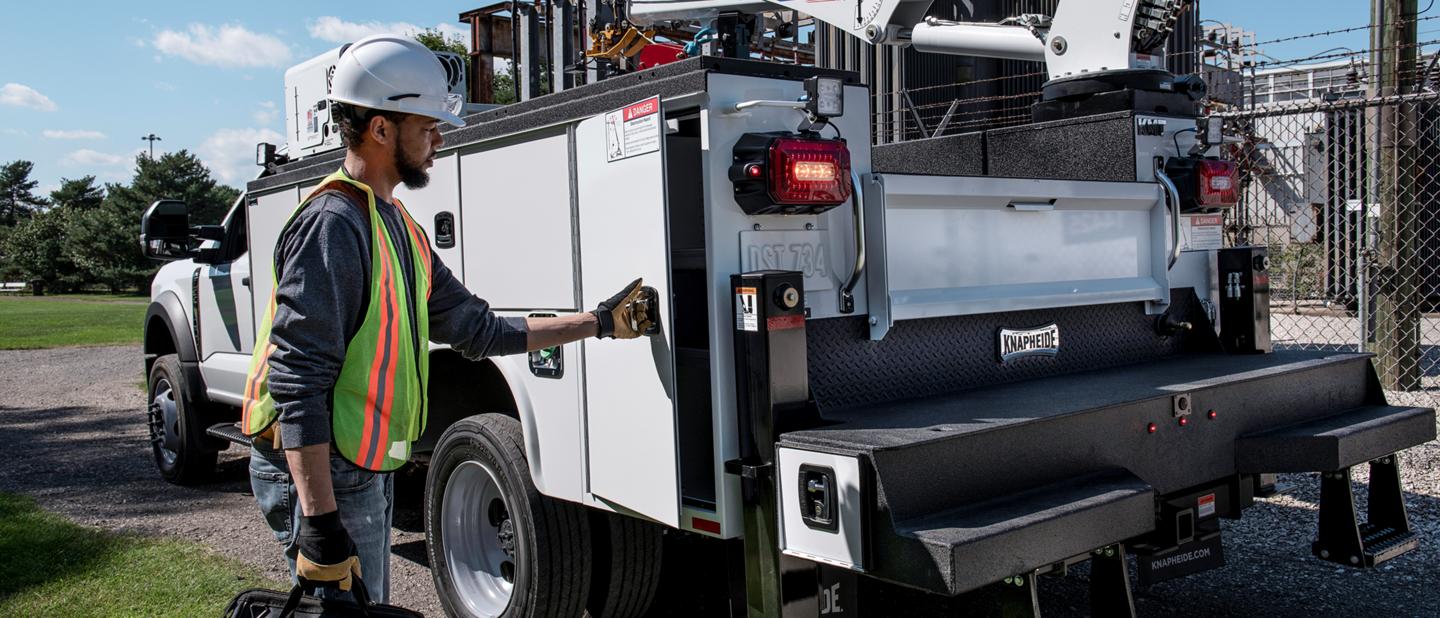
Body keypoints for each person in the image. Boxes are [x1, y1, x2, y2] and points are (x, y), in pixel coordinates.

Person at [241, 34, 654, 604]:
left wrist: (599, 322)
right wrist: (318, 521)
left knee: (363, 605)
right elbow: (298, 378)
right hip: (324, 468)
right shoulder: (333, 224)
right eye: (428, 127)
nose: (439, 140)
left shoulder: (398, 225)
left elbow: (479, 330)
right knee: (344, 608)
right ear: (380, 128)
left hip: (358, 461)